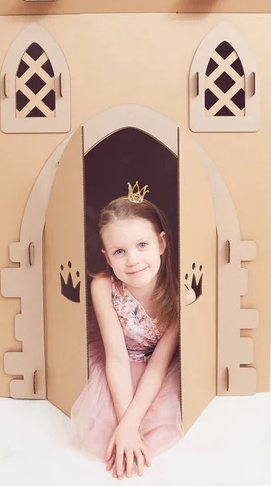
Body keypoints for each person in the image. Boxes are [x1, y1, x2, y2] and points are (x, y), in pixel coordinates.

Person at [71, 181, 182, 479]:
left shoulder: (177, 294)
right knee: (107, 418)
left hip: (156, 366)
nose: (132, 260)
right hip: (121, 359)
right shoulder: (103, 287)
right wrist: (125, 426)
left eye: (142, 245)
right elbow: (117, 358)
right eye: (119, 251)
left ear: (161, 243)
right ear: (107, 257)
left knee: (156, 411)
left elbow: (159, 364)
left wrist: (130, 425)